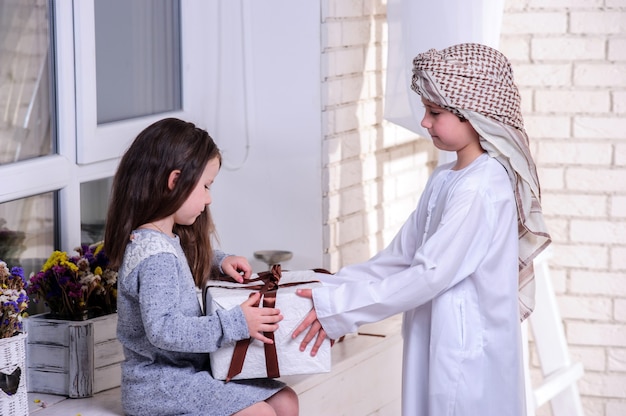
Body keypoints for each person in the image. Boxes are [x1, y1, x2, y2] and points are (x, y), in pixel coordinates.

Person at [293, 43, 551, 415]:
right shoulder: (447, 177)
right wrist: (324, 287)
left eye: (434, 112)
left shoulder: (481, 186)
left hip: (465, 353)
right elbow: (400, 259)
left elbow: (430, 274)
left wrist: (338, 309)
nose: (424, 122)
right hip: (438, 340)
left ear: (473, 116)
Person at [104, 118, 298, 416]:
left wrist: (218, 261)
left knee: (285, 401)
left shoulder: (163, 240)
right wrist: (236, 324)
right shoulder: (155, 256)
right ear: (174, 181)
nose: (208, 199)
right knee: (261, 413)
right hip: (159, 384)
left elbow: (180, 262)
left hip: (184, 374)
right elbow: (163, 329)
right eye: (206, 186)